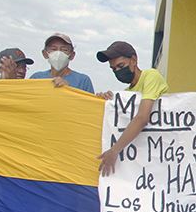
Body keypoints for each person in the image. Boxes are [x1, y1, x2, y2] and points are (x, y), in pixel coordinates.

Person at [95, 41, 169, 176]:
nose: (118, 71)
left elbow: (142, 118)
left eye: (120, 66)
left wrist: (114, 150)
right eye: (113, 69)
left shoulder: (151, 76)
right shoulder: (126, 94)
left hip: (163, 153)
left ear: (133, 60)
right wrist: (103, 102)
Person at [29, 33, 94, 93]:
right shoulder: (36, 78)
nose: (58, 53)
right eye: (53, 49)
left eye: (64, 50)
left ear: (72, 55)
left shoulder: (83, 81)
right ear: (45, 54)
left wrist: (69, 89)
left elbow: (89, 104)